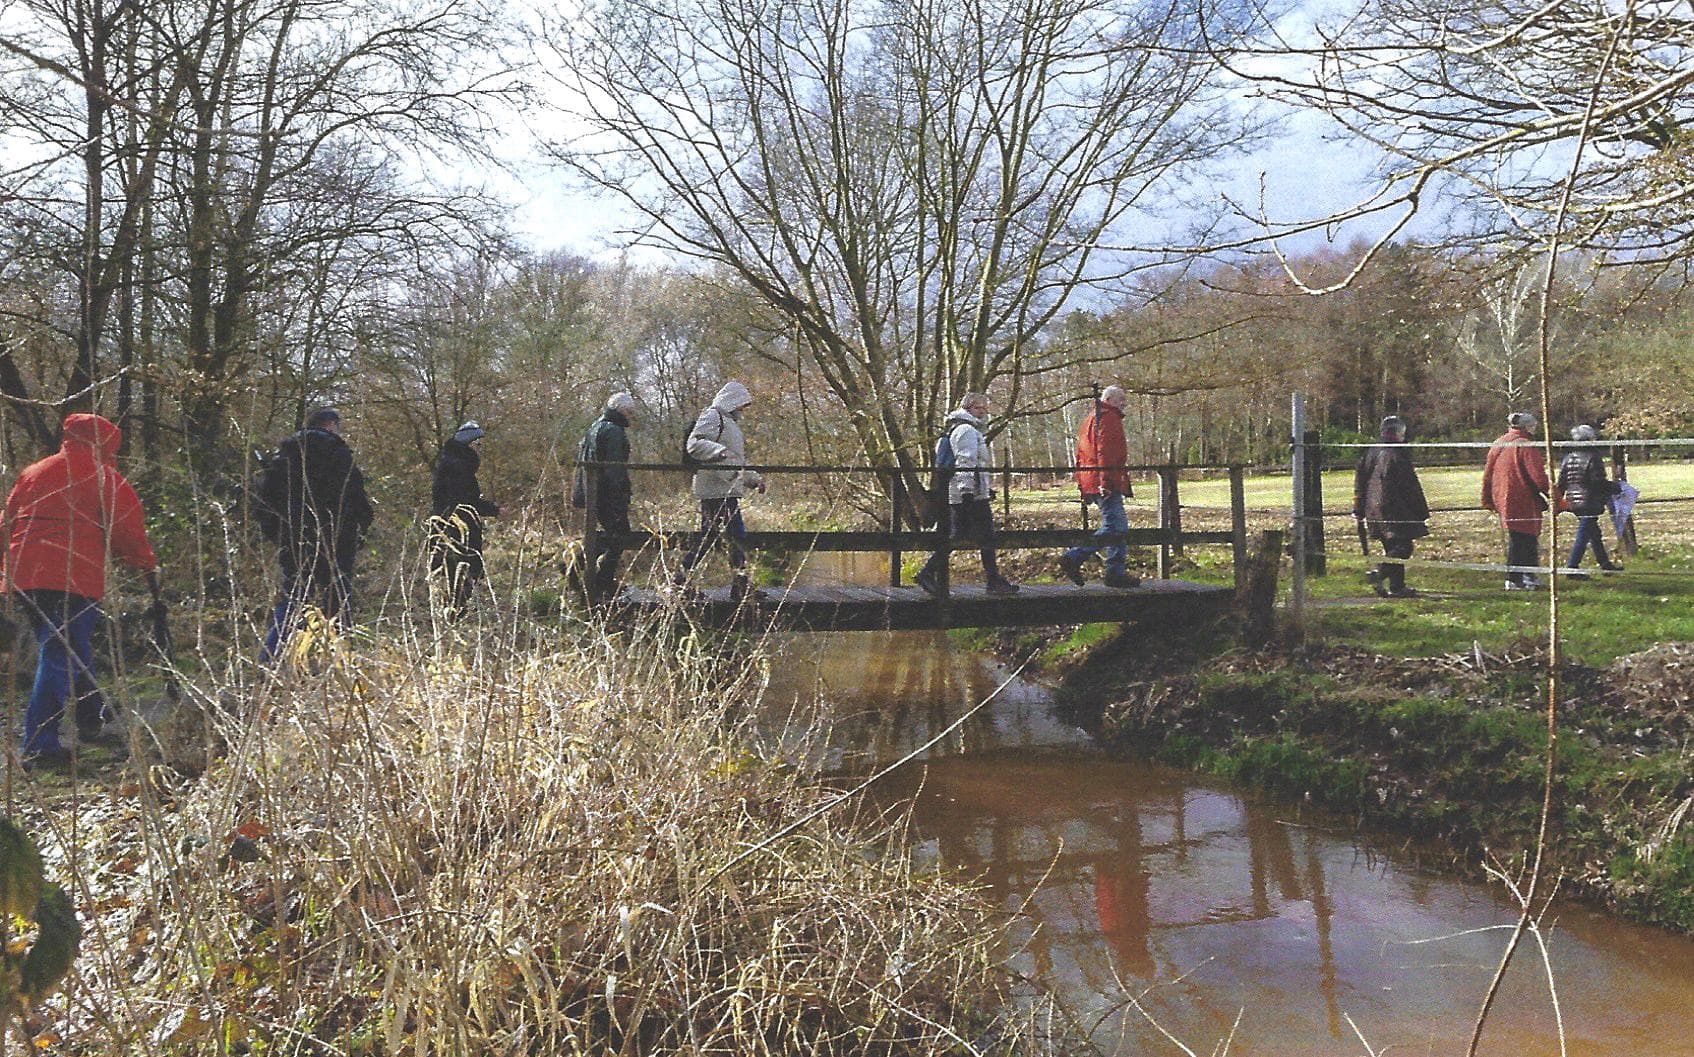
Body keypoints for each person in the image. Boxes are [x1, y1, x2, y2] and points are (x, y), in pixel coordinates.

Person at [2, 413, 157, 767]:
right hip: (73, 577)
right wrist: (145, 562)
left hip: (24, 575)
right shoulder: (105, 478)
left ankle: (92, 717)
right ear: (105, 443)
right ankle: (40, 746)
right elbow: (127, 530)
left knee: (71, 647)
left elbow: (7, 520)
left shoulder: (34, 472)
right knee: (59, 654)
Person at [256, 407, 374, 661]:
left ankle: (272, 661)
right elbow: (357, 500)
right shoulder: (339, 455)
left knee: (294, 599)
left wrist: (279, 537)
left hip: (294, 542)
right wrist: (359, 533)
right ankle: (338, 663)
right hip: (337, 542)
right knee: (338, 603)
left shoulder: (283, 457)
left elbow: (264, 505)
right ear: (331, 425)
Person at [914, 393, 1020, 598]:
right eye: (980, 408)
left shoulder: (957, 429)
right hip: (969, 494)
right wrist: (967, 491)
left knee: (962, 534)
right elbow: (966, 461)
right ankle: (991, 581)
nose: (984, 412)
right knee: (985, 535)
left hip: (968, 491)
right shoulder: (966, 431)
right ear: (969, 408)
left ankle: (930, 572)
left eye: (985, 408)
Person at [676, 381, 765, 602]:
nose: (743, 410)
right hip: (715, 489)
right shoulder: (713, 416)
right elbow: (694, 444)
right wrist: (719, 451)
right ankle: (739, 586)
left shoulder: (729, 423)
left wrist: (754, 480)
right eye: (742, 404)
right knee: (735, 535)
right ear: (733, 401)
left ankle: (681, 580)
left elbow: (736, 462)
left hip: (724, 488)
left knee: (713, 538)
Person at [1058, 385, 1138, 589]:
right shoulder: (1108, 418)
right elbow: (1106, 452)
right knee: (1116, 527)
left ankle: (1113, 571)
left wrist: (1083, 484)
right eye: (1121, 399)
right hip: (1104, 480)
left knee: (1115, 525)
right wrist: (1106, 482)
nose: (1124, 404)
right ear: (1109, 399)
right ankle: (1077, 557)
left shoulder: (1090, 418)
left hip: (1092, 479)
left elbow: (1082, 455)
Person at [1352, 415, 1430, 598]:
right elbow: (1410, 486)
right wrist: (1420, 510)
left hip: (1373, 509)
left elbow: (1359, 480)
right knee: (1403, 547)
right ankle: (1380, 572)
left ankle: (1397, 586)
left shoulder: (1370, 452)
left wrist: (1359, 505)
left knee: (1392, 547)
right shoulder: (1397, 454)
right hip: (1392, 509)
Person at [429, 421, 500, 617]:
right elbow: (464, 502)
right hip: (457, 531)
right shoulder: (458, 467)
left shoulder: (451, 462)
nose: (480, 449)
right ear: (469, 444)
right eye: (478, 444)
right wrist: (494, 509)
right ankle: (456, 613)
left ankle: (454, 611)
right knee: (459, 572)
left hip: (448, 528)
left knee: (453, 573)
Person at [572, 393, 636, 601]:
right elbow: (614, 468)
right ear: (619, 409)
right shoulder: (614, 431)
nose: (630, 415)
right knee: (619, 536)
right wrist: (620, 497)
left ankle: (576, 566)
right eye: (629, 411)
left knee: (607, 536)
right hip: (608, 494)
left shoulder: (595, 426)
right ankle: (602, 582)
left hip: (595, 492)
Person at [1481, 410, 1550, 590]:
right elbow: (1538, 477)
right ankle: (1515, 578)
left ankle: (1528, 574)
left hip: (1502, 496)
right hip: (1522, 497)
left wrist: (1487, 497)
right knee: (1523, 538)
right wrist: (1555, 496)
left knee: (1523, 537)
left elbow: (1487, 473)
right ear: (1527, 427)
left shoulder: (1499, 442)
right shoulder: (1525, 445)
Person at [1556, 423, 1623, 575]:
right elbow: (1597, 482)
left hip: (1573, 500)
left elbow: (1561, 482)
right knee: (1584, 534)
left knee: (1593, 532)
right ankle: (1572, 567)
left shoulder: (1568, 458)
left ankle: (1605, 564)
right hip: (1589, 500)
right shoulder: (1594, 457)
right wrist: (1615, 487)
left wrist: (1559, 500)